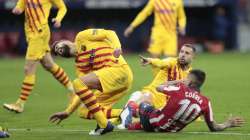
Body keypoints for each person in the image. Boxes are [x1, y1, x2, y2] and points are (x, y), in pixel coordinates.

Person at [49, 29, 133, 136]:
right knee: (83, 111)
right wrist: (68, 112)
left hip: (119, 70)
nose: (57, 50)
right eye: (56, 53)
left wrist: (117, 47)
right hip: (112, 84)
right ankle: (125, 113)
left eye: (57, 46)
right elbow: (82, 92)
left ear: (65, 41)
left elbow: (110, 33)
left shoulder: (82, 37)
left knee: (77, 83)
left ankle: (104, 125)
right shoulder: (80, 67)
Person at [3, 0, 73, 113]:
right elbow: (20, 7)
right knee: (49, 65)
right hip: (30, 33)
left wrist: (58, 19)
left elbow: (62, 7)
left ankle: (20, 104)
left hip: (40, 33)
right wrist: (17, 10)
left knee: (28, 69)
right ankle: (72, 89)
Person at [127, 70, 245, 132]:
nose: (185, 78)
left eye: (187, 77)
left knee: (145, 100)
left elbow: (158, 87)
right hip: (171, 131)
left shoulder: (180, 88)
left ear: (191, 82)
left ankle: (130, 111)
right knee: (164, 110)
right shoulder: (206, 102)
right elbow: (213, 127)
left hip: (152, 123)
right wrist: (227, 124)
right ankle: (135, 125)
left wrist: (176, 81)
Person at [118, 44, 196, 129]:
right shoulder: (172, 62)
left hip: (164, 104)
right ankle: (130, 109)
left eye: (187, 53)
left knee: (151, 123)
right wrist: (150, 61)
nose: (183, 55)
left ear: (193, 57)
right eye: (181, 52)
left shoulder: (190, 74)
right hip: (153, 93)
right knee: (145, 102)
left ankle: (132, 115)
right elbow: (161, 62)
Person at [124, 0, 186, 76]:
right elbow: (144, 13)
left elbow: (182, 16)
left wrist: (182, 26)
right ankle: (156, 82)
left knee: (170, 61)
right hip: (157, 34)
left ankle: (168, 83)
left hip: (171, 35)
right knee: (154, 59)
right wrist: (132, 26)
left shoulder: (177, 1)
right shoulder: (155, 1)